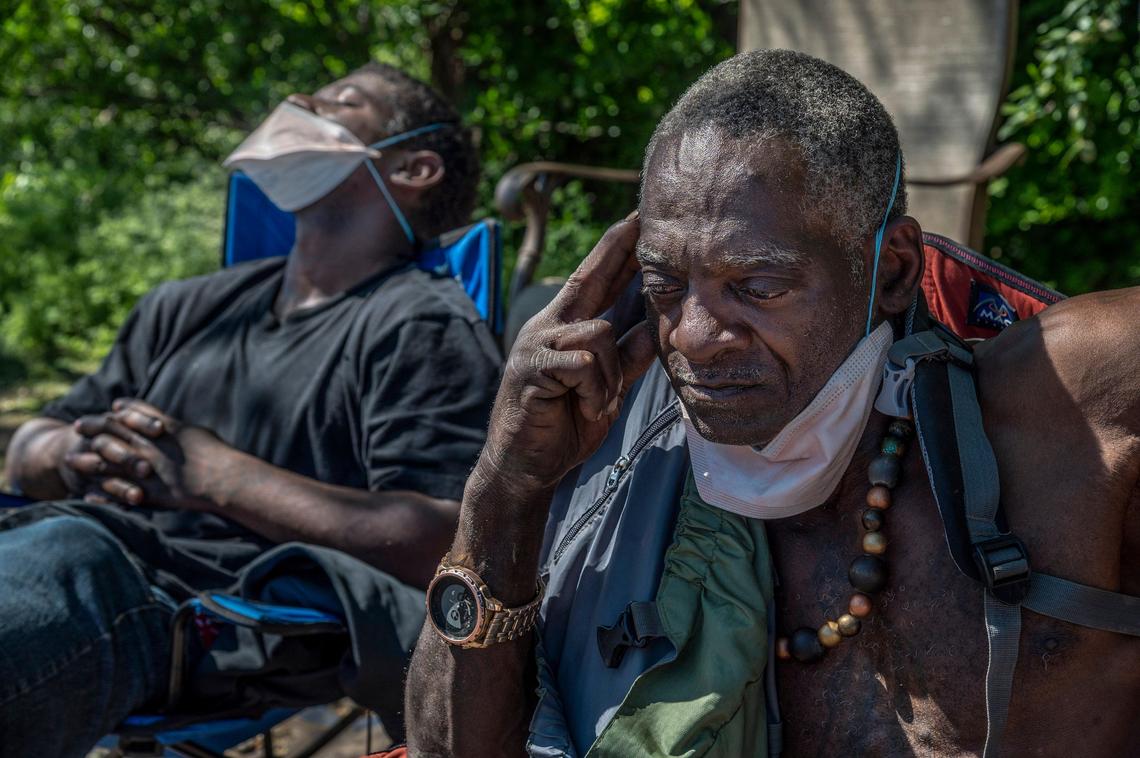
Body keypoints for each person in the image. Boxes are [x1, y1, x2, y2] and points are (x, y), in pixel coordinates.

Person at [404, 50, 1140, 756]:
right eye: (664, 286)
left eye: (757, 287)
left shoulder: (1063, 414)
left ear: (891, 271)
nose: (692, 337)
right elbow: (445, 752)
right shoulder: (608, 454)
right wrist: (505, 486)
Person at [1, 63, 500, 754]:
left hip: (180, 601)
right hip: (49, 541)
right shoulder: (186, 305)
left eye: (342, 102)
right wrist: (73, 452)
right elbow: (29, 448)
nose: (297, 101)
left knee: (65, 557)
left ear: (413, 168)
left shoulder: (422, 326)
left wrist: (216, 478)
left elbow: (451, 541)